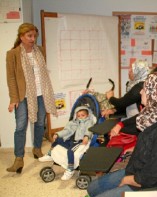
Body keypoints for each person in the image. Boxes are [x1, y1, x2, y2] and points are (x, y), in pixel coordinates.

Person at [81, 71, 157, 197]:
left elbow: (154, 174)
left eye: (145, 89)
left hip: (147, 184)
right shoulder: (155, 115)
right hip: (137, 169)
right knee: (92, 188)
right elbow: (151, 143)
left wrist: (128, 180)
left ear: (156, 95)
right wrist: (134, 148)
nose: (141, 92)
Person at [6, 23, 57, 173]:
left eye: (34, 36)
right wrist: (14, 99)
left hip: (41, 93)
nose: (32, 39)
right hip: (23, 96)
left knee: (40, 122)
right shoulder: (13, 54)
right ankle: (18, 159)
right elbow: (11, 78)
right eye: (29, 36)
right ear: (21, 37)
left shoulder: (39, 50)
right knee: (21, 126)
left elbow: (42, 73)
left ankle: (36, 149)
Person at [109, 66, 157, 137]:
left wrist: (120, 128)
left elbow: (122, 103)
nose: (141, 92)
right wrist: (120, 123)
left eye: (131, 70)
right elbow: (142, 115)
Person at [39, 106, 94, 180]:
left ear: (87, 115)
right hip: (69, 140)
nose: (80, 117)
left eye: (83, 115)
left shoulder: (89, 122)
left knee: (70, 151)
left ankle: (70, 169)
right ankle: (49, 154)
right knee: (58, 140)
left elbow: (89, 130)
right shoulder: (72, 123)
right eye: (78, 116)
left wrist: (86, 136)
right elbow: (66, 130)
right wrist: (57, 134)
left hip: (78, 141)